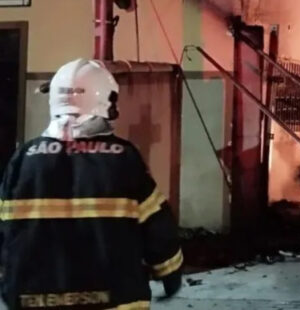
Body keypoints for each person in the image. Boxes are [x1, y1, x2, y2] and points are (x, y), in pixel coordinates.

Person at [0, 59, 183, 309]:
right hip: (115, 301)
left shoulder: (22, 160)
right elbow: (157, 227)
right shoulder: (124, 158)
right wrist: (170, 272)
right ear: (106, 104)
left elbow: (5, 233)